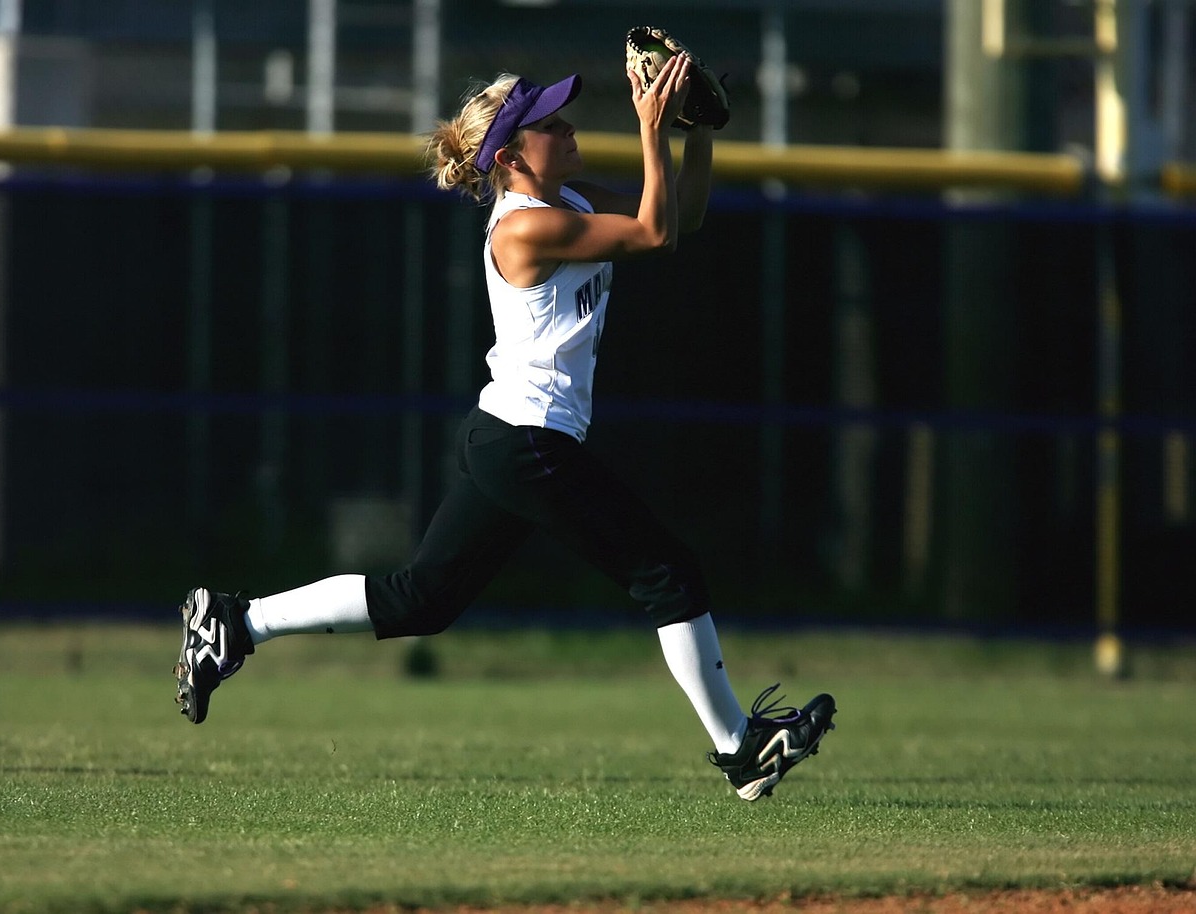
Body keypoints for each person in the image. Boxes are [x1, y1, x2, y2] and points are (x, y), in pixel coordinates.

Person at [172, 54, 836, 801]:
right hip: (528, 442)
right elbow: (655, 235)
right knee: (667, 573)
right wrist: (651, 127)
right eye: (550, 124)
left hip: (508, 438)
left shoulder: (568, 200)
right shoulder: (525, 228)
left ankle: (236, 623)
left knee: (421, 600)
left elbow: (681, 214)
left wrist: (697, 131)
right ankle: (740, 750)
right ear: (512, 155)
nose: (568, 127)